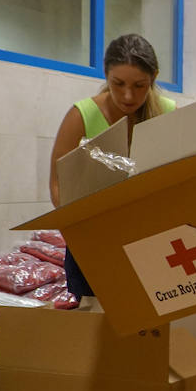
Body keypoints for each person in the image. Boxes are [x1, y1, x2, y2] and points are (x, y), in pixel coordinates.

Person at [48, 33, 172, 296]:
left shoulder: (167, 113)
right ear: (105, 75)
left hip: (149, 241)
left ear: (154, 78)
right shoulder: (81, 116)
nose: (128, 96)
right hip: (92, 244)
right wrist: (80, 235)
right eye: (118, 84)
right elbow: (58, 186)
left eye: (140, 85)